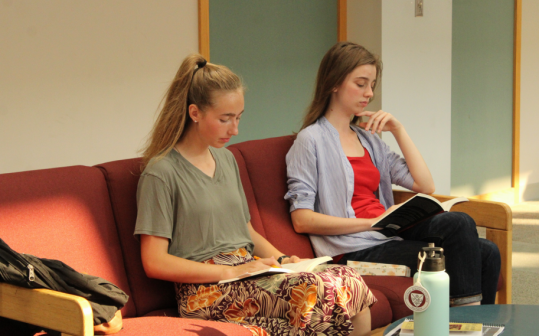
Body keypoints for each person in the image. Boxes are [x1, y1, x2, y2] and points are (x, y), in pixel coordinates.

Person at [134, 53, 376, 336]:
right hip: (204, 290)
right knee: (316, 290)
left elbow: (246, 230)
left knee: (348, 278)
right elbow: (154, 261)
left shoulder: (225, 160)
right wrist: (229, 272)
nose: (235, 130)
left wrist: (284, 261)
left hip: (249, 271)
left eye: (238, 118)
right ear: (195, 113)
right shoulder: (161, 173)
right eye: (225, 119)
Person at [285, 42, 501, 306]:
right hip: (352, 249)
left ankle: (474, 326)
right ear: (334, 83)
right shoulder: (310, 140)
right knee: (469, 239)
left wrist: (398, 130)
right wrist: (374, 221)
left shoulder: (369, 139)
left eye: (372, 85)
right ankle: (464, 325)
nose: (369, 93)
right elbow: (302, 220)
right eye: (361, 83)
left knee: (483, 246)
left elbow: (425, 184)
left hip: (385, 234)